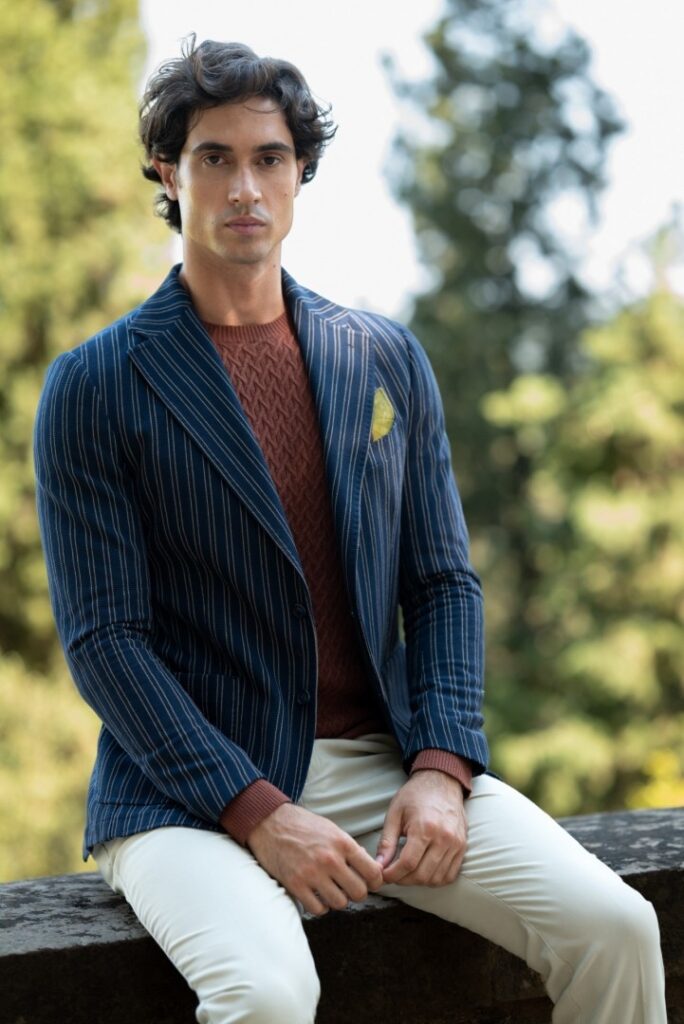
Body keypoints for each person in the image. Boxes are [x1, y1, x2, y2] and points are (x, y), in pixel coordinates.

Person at [34, 36, 666, 1024]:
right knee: (267, 994)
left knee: (618, 927)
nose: (245, 186)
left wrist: (442, 768)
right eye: (214, 158)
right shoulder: (94, 385)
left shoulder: (382, 357)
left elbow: (442, 582)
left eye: (270, 158)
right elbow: (107, 642)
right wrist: (259, 812)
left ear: (301, 173)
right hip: (185, 793)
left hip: (385, 766)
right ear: (167, 171)